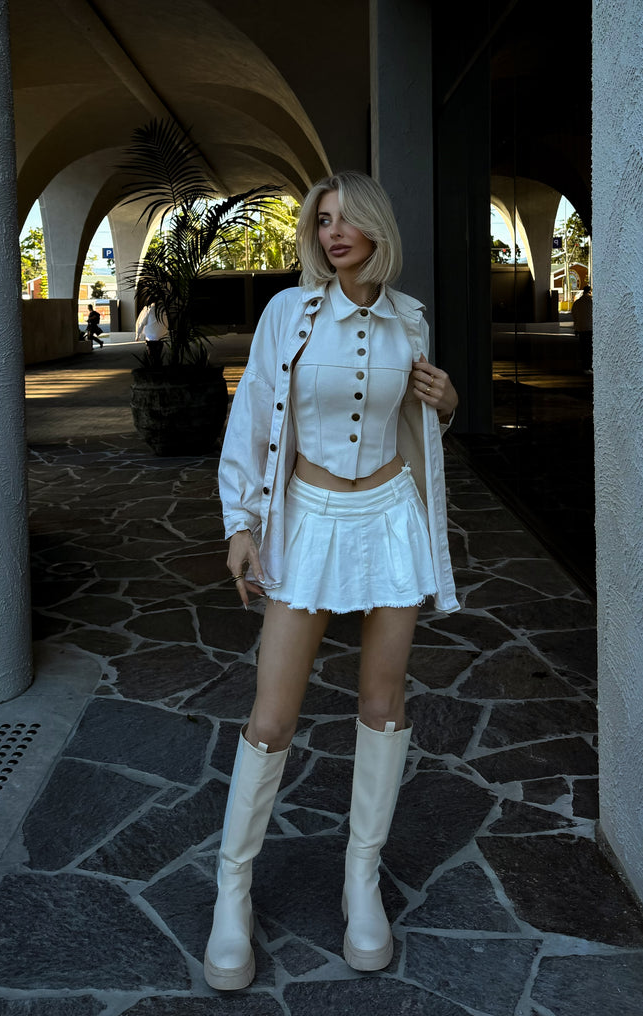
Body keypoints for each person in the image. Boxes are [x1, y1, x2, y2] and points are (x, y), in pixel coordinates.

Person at [207, 172, 459, 990]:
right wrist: (242, 523)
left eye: (347, 219)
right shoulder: (289, 314)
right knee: (272, 715)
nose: (334, 232)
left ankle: (362, 881)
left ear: (377, 226)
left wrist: (447, 401)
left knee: (384, 706)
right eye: (322, 221)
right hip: (310, 519)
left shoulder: (410, 318)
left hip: (388, 517)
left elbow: (421, 420)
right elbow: (251, 414)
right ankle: (232, 891)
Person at [571, 283, 592, 373]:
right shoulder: (592, 302)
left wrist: (576, 328)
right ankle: (588, 366)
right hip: (590, 328)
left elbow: (574, 316)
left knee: (583, 348)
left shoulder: (577, 303)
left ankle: (584, 366)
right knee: (589, 348)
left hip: (581, 329)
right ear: (590, 292)